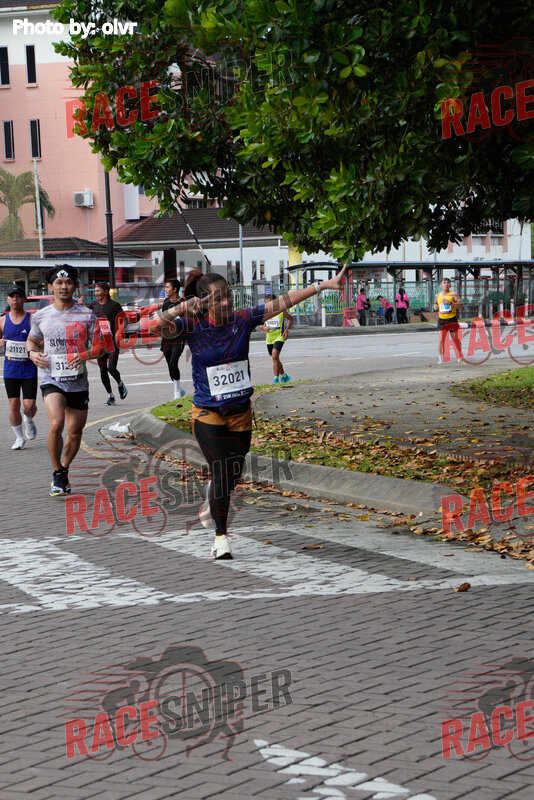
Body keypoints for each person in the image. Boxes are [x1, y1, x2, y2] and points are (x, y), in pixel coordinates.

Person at [157, 265, 347, 560]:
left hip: (240, 414)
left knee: (232, 474)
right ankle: (221, 537)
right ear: (205, 302)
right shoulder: (192, 326)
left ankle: (212, 495)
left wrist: (322, 286)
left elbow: (282, 302)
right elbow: (155, 327)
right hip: (207, 413)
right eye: (219, 298)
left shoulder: (242, 320)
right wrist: (181, 307)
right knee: (222, 470)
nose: (227, 301)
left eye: (229, 295)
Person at [27, 265, 98, 496]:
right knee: (56, 424)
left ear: (74, 286)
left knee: (75, 432)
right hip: (51, 377)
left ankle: (64, 469)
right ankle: (57, 472)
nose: (64, 286)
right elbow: (32, 340)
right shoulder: (41, 316)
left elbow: (102, 347)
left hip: (77, 381)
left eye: (68, 282)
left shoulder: (87, 315)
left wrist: (84, 354)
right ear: (50, 287)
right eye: (59, 283)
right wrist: (32, 353)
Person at [0, 285, 38, 449]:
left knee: (29, 406)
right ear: (7, 299)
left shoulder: (31, 320)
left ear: (24, 299)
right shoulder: (2, 320)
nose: (15, 300)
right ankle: (19, 438)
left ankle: (28, 419)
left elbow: (41, 340)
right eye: (12, 297)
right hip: (10, 369)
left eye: (18, 296)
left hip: (29, 369)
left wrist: (34, 347)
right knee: (14, 405)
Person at [88, 282, 128, 406]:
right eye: (95, 291)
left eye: (98, 291)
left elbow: (125, 319)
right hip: (99, 343)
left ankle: (120, 383)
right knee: (102, 370)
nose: (96, 293)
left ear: (106, 292)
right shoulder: (93, 306)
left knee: (111, 368)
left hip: (112, 341)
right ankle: (110, 396)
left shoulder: (114, 305)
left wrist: (119, 332)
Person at [160, 279, 187, 399]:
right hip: (167, 338)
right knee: (169, 365)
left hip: (179, 338)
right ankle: (179, 388)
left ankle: (176, 391)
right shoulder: (165, 302)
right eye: (165, 287)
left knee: (173, 363)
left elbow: (187, 320)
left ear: (175, 289)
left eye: (167, 287)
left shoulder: (183, 302)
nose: (166, 289)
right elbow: (163, 320)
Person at [259, 294, 293, 384]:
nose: (268, 305)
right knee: (275, 358)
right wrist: (263, 328)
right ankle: (284, 376)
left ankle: (276, 379)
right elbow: (258, 323)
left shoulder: (281, 310)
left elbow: (291, 319)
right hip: (269, 338)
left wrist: (287, 330)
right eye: (267, 303)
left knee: (274, 356)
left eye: (270, 302)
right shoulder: (265, 312)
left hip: (279, 336)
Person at [434, 277, 463, 364]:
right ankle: (440, 359)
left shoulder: (453, 295)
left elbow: (461, 305)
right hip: (442, 320)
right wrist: (435, 306)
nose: (446, 284)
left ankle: (460, 355)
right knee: (441, 340)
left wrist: (451, 304)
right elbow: (435, 304)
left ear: (450, 285)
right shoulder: (437, 296)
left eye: (448, 283)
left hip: (452, 319)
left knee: (454, 339)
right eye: (444, 283)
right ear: (440, 285)